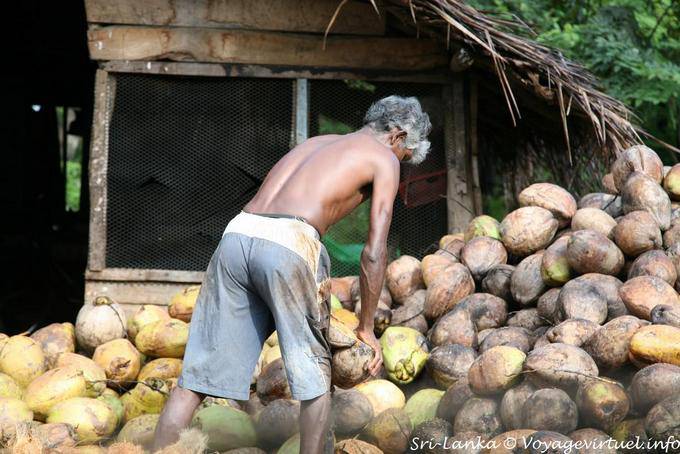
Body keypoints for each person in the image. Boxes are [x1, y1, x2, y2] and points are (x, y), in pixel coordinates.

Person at [152, 95, 432, 453]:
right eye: (404, 155)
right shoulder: (384, 158)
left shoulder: (317, 144)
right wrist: (365, 328)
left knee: (195, 379)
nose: (400, 163)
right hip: (290, 241)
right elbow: (374, 253)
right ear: (397, 136)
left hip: (237, 234)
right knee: (315, 378)